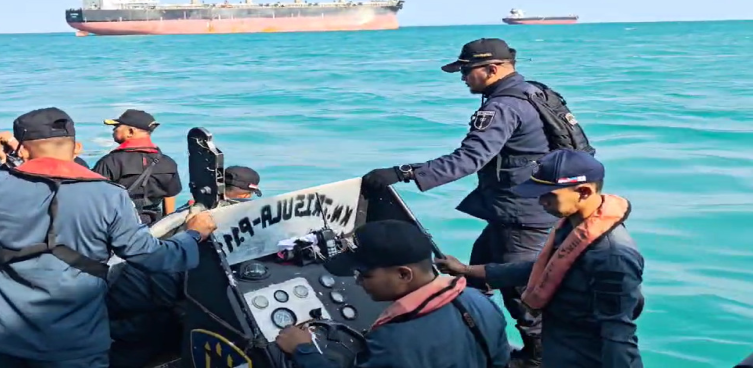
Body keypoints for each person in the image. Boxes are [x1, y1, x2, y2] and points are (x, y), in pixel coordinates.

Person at [361, 38, 594, 365]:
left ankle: (536, 358)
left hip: (520, 219)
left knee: (523, 298)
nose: (463, 78)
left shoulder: (501, 107)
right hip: (527, 209)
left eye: (467, 71)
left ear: (492, 69)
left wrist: (403, 173)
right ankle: (467, 333)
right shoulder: (535, 92)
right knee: (472, 280)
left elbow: (467, 160)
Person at [0, 107, 218, 368]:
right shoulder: (111, 196)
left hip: (2, 337)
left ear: (20, 150)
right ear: (77, 148)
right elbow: (154, 257)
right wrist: (194, 233)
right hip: (75, 342)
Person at [435, 149, 644, 368]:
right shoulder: (573, 227)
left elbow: (618, 336)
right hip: (557, 348)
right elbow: (541, 269)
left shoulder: (613, 256)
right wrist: (466, 270)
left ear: (583, 191)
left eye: (550, 195)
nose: (541, 202)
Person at [275, 220, 511, 368]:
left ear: (404, 274)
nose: (357, 282)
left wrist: (303, 350)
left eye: (364, 275)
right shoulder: (477, 300)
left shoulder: (394, 341)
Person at [106, 165, 264, 367]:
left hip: (127, 292)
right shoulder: (212, 225)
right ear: (246, 195)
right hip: (139, 307)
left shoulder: (187, 215)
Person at [93, 109, 182, 225]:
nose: (113, 129)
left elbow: (94, 198)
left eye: (117, 126)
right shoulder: (168, 163)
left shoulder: (110, 162)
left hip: (119, 227)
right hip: (153, 226)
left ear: (130, 131)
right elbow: (170, 199)